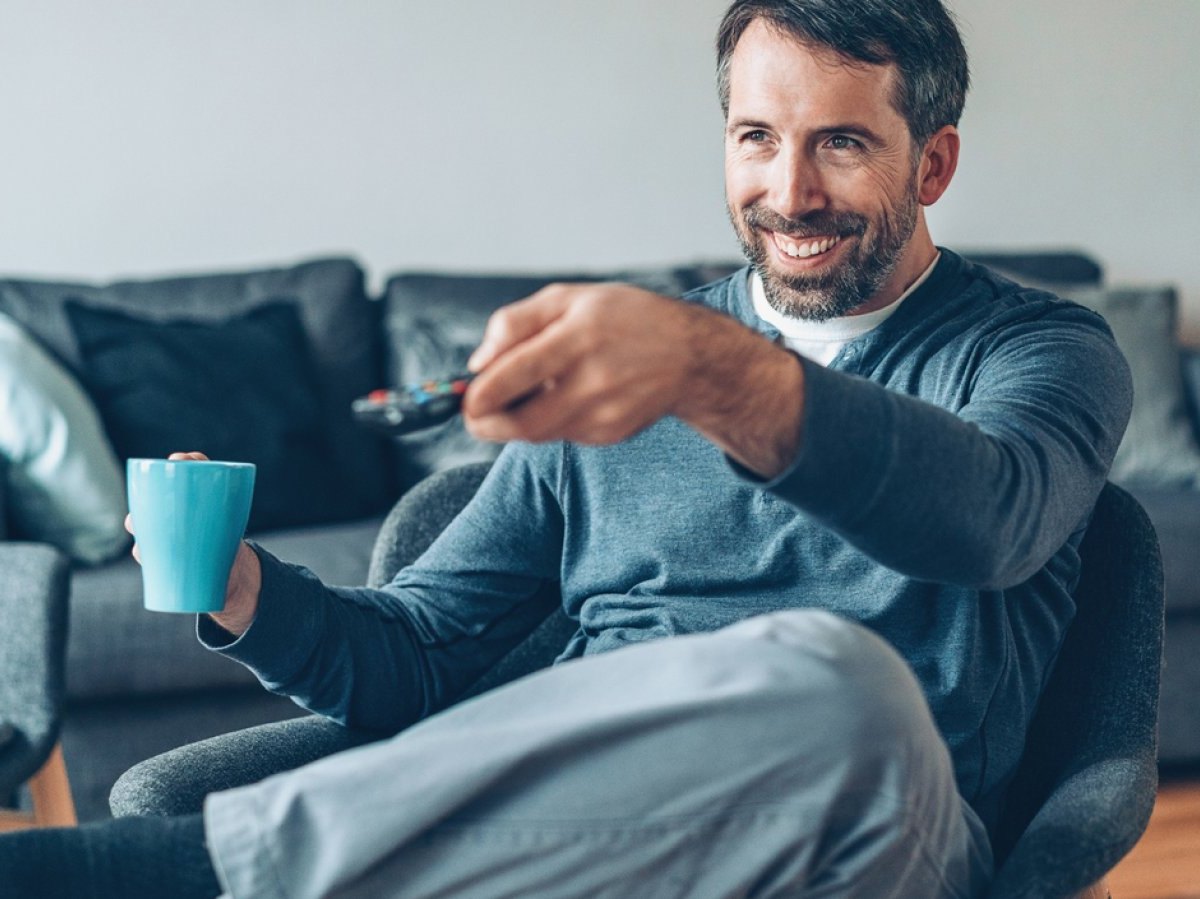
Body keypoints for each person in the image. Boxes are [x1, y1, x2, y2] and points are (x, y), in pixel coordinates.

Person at [2, 0, 1132, 896]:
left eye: (840, 143)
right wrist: (247, 586)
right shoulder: (627, 370)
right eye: (756, 139)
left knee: (841, 678)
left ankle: (152, 879)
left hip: (880, 840)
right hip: (593, 845)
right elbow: (418, 656)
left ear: (931, 164)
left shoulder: (1041, 353)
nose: (788, 193)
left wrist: (707, 369)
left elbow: (991, 519)